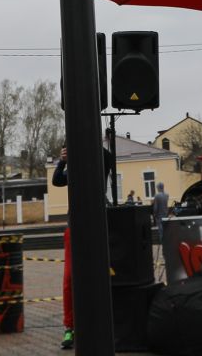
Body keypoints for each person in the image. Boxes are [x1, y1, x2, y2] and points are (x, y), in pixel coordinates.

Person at [51, 142, 116, 351]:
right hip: (75, 226)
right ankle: (69, 327)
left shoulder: (101, 157)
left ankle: (101, 322)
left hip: (97, 224)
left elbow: (107, 159)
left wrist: (84, 145)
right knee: (70, 278)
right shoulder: (75, 162)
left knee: (100, 274)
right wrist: (62, 162)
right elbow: (57, 180)